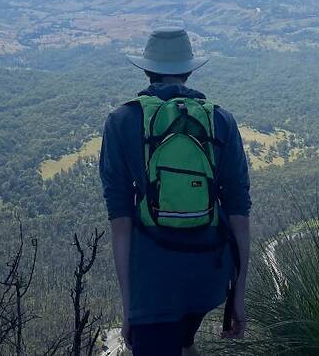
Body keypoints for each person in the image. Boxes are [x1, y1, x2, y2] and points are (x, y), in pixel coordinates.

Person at [99, 27, 251, 356]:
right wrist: (238, 296)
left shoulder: (122, 121)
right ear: (189, 70)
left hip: (154, 277)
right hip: (209, 273)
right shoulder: (222, 120)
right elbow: (239, 211)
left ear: (146, 69)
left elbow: (120, 222)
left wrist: (130, 308)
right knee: (184, 341)